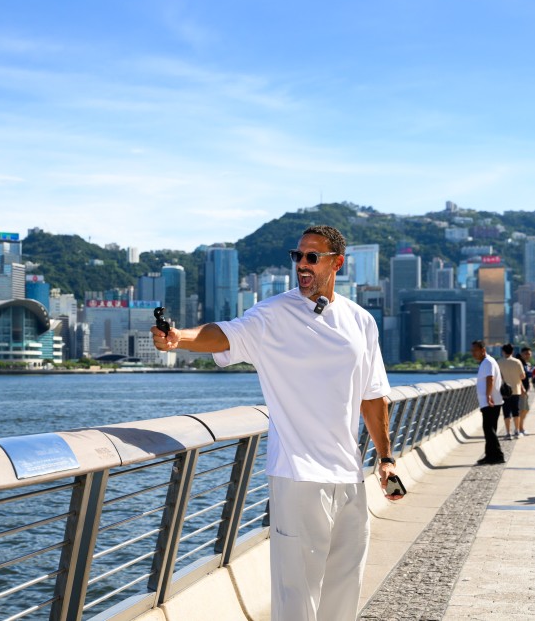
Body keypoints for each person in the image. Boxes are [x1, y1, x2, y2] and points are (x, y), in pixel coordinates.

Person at [151, 224, 401, 621]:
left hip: (350, 477)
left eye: (312, 257)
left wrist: (386, 459)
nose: (302, 264)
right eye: (297, 256)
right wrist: (179, 337)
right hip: (297, 476)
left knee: (344, 591)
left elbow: (373, 397)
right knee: (296, 600)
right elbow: (225, 334)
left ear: (337, 263)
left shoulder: (361, 321)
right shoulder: (272, 314)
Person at [471, 340, 505, 464]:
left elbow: (490, 379)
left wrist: (488, 396)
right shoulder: (488, 361)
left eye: (475, 350)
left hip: (490, 401)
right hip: (490, 401)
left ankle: (498, 455)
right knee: (490, 429)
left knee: (489, 429)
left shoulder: (487, 362)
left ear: (483, 350)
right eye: (472, 351)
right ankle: (490, 455)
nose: (473, 353)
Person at [498, 343, 525, 439]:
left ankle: (508, 433)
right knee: (516, 411)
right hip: (516, 390)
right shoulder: (517, 362)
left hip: (504, 391)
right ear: (512, 351)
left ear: (503, 352)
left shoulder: (499, 362)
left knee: (506, 412)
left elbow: (497, 377)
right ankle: (517, 431)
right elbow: (523, 376)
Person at [517, 347, 534, 437]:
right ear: (522, 354)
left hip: (525, 390)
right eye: (526, 354)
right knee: (522, 410)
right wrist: (522, 388)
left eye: (529, 354)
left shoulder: (527, 364)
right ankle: (520, 429)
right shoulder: (519, 363)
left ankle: (520, 428)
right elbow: (518, 377)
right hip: (520, 390)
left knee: (525, 410)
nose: (528, 355)